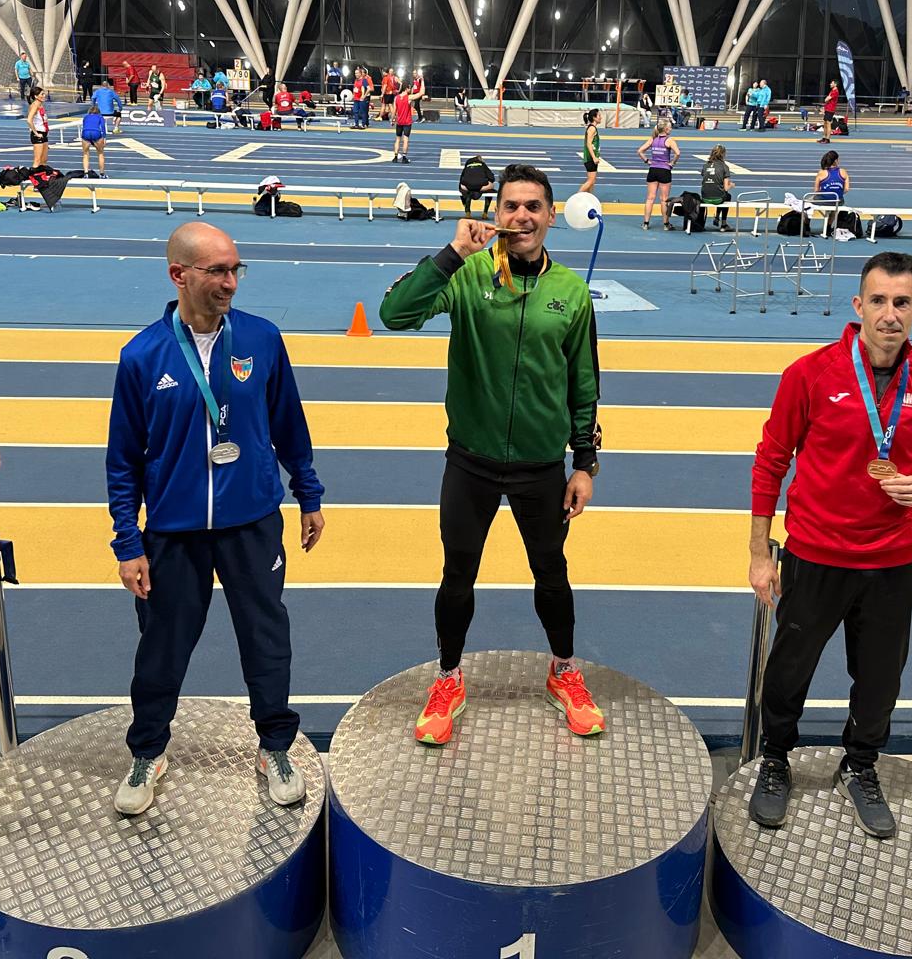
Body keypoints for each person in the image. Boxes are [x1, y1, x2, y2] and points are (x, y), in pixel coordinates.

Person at [378, 164, 603, 746]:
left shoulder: (571, 292)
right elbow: (394, 314)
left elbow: (583, 383)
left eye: (533, 206)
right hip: (470, 462)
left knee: (551, 574)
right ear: (495, 213)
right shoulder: (468, 273)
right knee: (457, 575)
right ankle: (448, 678)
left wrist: (584, 463)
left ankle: (564, 671)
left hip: (541, 466)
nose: (521, 216)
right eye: (510, 206)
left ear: (550, 217)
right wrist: (453, 253)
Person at [106, 222, 326, 816]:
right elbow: (123, 460)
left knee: (266, 637)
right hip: (173, 531)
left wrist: (308, 493)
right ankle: (148, 751)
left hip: (252, 521)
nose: (231, 282)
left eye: (236, 270)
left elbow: (289, 424)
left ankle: (274, 746)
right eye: (218, 271)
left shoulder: (262, 339)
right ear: (179, 275)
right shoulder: (142, 356)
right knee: (162, 648)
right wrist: (128, 542)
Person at [747, 252, 912, 839]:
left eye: (902, 302)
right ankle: (776, 760)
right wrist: (760, 553)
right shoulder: (810, 373)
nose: (890, 314)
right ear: (858, 304)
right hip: (815, 554)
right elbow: (770, 461)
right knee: (789, 672)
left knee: (881, 679)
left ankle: (860, 765)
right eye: (879, 301)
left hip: (890, 560)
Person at [637, 119, 679, 230]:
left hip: (653, 170)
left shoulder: (652, 139)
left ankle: (645, 223)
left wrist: (647, 161)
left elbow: (640, 151)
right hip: (664, 170)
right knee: (664, 199)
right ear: (666, 129)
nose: (671, 129)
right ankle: (666, 224)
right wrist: (672, 163)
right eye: (670, 127)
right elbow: (678, 153)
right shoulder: (669, 140)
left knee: (650, 198)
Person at [701, 143, 735, 232]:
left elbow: (707, 178)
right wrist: (731, 185)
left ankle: (701, 223)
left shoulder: (705, 165)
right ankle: (723, 224)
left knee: (716, 191)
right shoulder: (724, 167)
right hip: (718, 199)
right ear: (723, 154)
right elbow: (726, 188)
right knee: (727, 195)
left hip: (704, 198)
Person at [80, 100, 108, 177]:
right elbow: (103, 127)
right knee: (100, 153)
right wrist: (104, 138)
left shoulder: (86, 117)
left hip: (86, 133)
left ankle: (86, 174)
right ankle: (102, 174)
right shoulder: (100, 117)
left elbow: (84, 126)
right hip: (96, 133)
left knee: (85, 154)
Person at [26, 85, 50, 169]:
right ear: (36, 96)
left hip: (44, 133)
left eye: (44, 94)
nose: (44, 96)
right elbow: (29, 120)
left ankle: (42, 175)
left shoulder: (40, 105)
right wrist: (36, 133)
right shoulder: (35, 106)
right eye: (42, 94)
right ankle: (33, 175)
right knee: (37, 160)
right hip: (38, 134)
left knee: (44, 160)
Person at [581, 108, 603, 195]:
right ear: (594, 117)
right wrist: (594, 157)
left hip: (591, 157)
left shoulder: (593, 128)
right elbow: (588, 143)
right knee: (590, 181)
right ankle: (577, 197)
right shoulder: (592, 129)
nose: (601, 117)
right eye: (599, 115)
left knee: (591, 181)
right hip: (590, 158)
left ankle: (589, 197)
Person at [391, 85, 416, 162]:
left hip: (399, 121)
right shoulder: (408, 97)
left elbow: (394, 111)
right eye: (410, 88)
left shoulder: (396, 98)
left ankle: (395, 157)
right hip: (407, 122)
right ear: (406, 89)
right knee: (406, 139)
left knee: (398, 139)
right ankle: (404, 157)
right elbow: (421, 93)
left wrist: (392, 119)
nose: (410, 89)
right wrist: (422, 81)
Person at [351, 65, 371, 130]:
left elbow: (369, 88)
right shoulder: (355, 80)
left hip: (361, 99)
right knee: (355, 111)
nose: (356, 74)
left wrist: (364, 96)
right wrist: (353, 95)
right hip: (356, 99)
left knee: (363, 112)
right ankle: (356, 124)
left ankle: (363, 124)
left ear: (360, 73)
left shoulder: (364, 80)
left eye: (357, 73)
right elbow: (355, 88)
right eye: (355, 73)